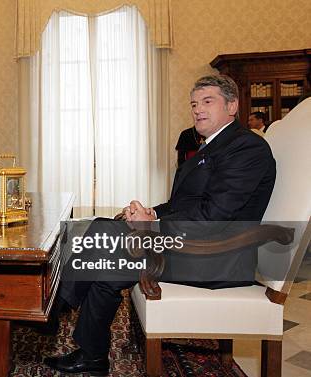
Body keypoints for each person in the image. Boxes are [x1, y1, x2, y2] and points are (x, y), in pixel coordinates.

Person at [44, 75, 276, 375]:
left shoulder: (246, 148)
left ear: (232, 106)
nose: (198, 110)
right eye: (194, 104)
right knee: (107, 259)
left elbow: (216, 216)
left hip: (218, 256)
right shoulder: (212, 147)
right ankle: (91, 354)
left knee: (103, 233)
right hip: (196, 243)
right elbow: (184, 204)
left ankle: (54, 306)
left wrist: (151, 227)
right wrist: (152, 213)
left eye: (208, 102)